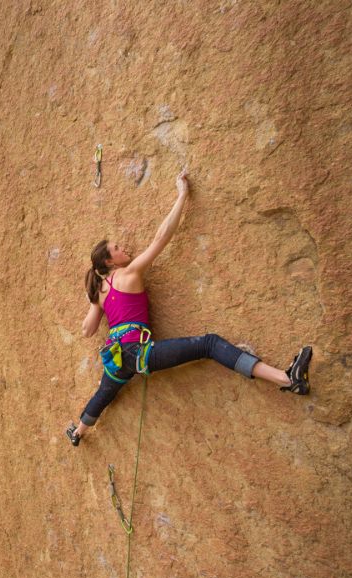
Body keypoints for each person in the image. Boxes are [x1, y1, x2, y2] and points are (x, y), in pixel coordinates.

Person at [67, 168, 312, 446]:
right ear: (110, 261)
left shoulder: (101, 291)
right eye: (117, 248)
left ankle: (78, 433)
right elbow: (161, 238)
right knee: (208, 344)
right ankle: (286, 378)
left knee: (104, 393)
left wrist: (93, 303)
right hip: (139, 352)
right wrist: (182, 196)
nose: (124, 248)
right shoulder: (129, 273)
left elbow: (87, 330)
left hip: (117, 358)